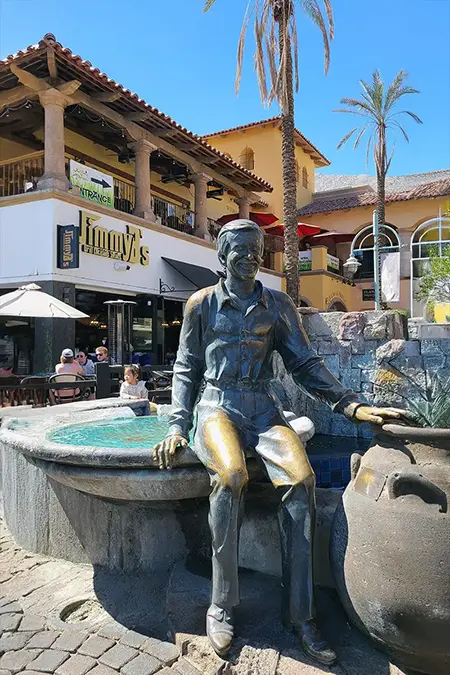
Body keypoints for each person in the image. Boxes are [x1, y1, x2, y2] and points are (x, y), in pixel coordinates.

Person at [152, 220, 405, 664]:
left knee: (302, 481)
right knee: (230, 477)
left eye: (257, 251)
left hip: (263, 407)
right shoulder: (201, 305)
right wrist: (177, 425)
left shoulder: (278, 305)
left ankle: (301, 614)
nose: (251, 257)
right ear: (223, 257)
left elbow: (304, 363)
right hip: (216, 405)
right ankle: (222, 604)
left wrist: (351, 405)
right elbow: (185, 368)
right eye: (242, 250)